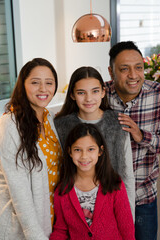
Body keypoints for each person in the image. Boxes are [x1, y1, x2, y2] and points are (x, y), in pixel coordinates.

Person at [105, 41, 160, 240]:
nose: (133, 75)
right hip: (105, 197)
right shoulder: (100, 95)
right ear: (111, 72)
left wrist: (142, 136)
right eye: (124, 69)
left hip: (143, 197)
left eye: (138, 67)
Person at [0, 58, 62, 239]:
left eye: (49, 83)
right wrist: (37, 236)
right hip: (13, 230)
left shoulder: (48, 119)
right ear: (23, 85)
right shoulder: (10, 125)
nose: (43, 89)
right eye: (35, 82)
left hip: (45, 221)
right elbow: (20, 193)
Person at [54, 66, 135, 217]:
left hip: (112, 207)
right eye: (81, 93)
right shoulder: (60, 126)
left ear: (103, 92)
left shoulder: (118, 123)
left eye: (95, 91)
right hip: (73, 211)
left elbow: (127, 174)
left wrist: (129, 217)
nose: (89, 98)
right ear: (72, 94)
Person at [50, 123, 135, 240]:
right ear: (70, 152)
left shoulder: (114, 184)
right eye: (77, 150)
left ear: (100, 151)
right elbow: (61, 229)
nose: (84, 156)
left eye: (90, 149)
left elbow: (126, 227)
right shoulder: (62, 191)